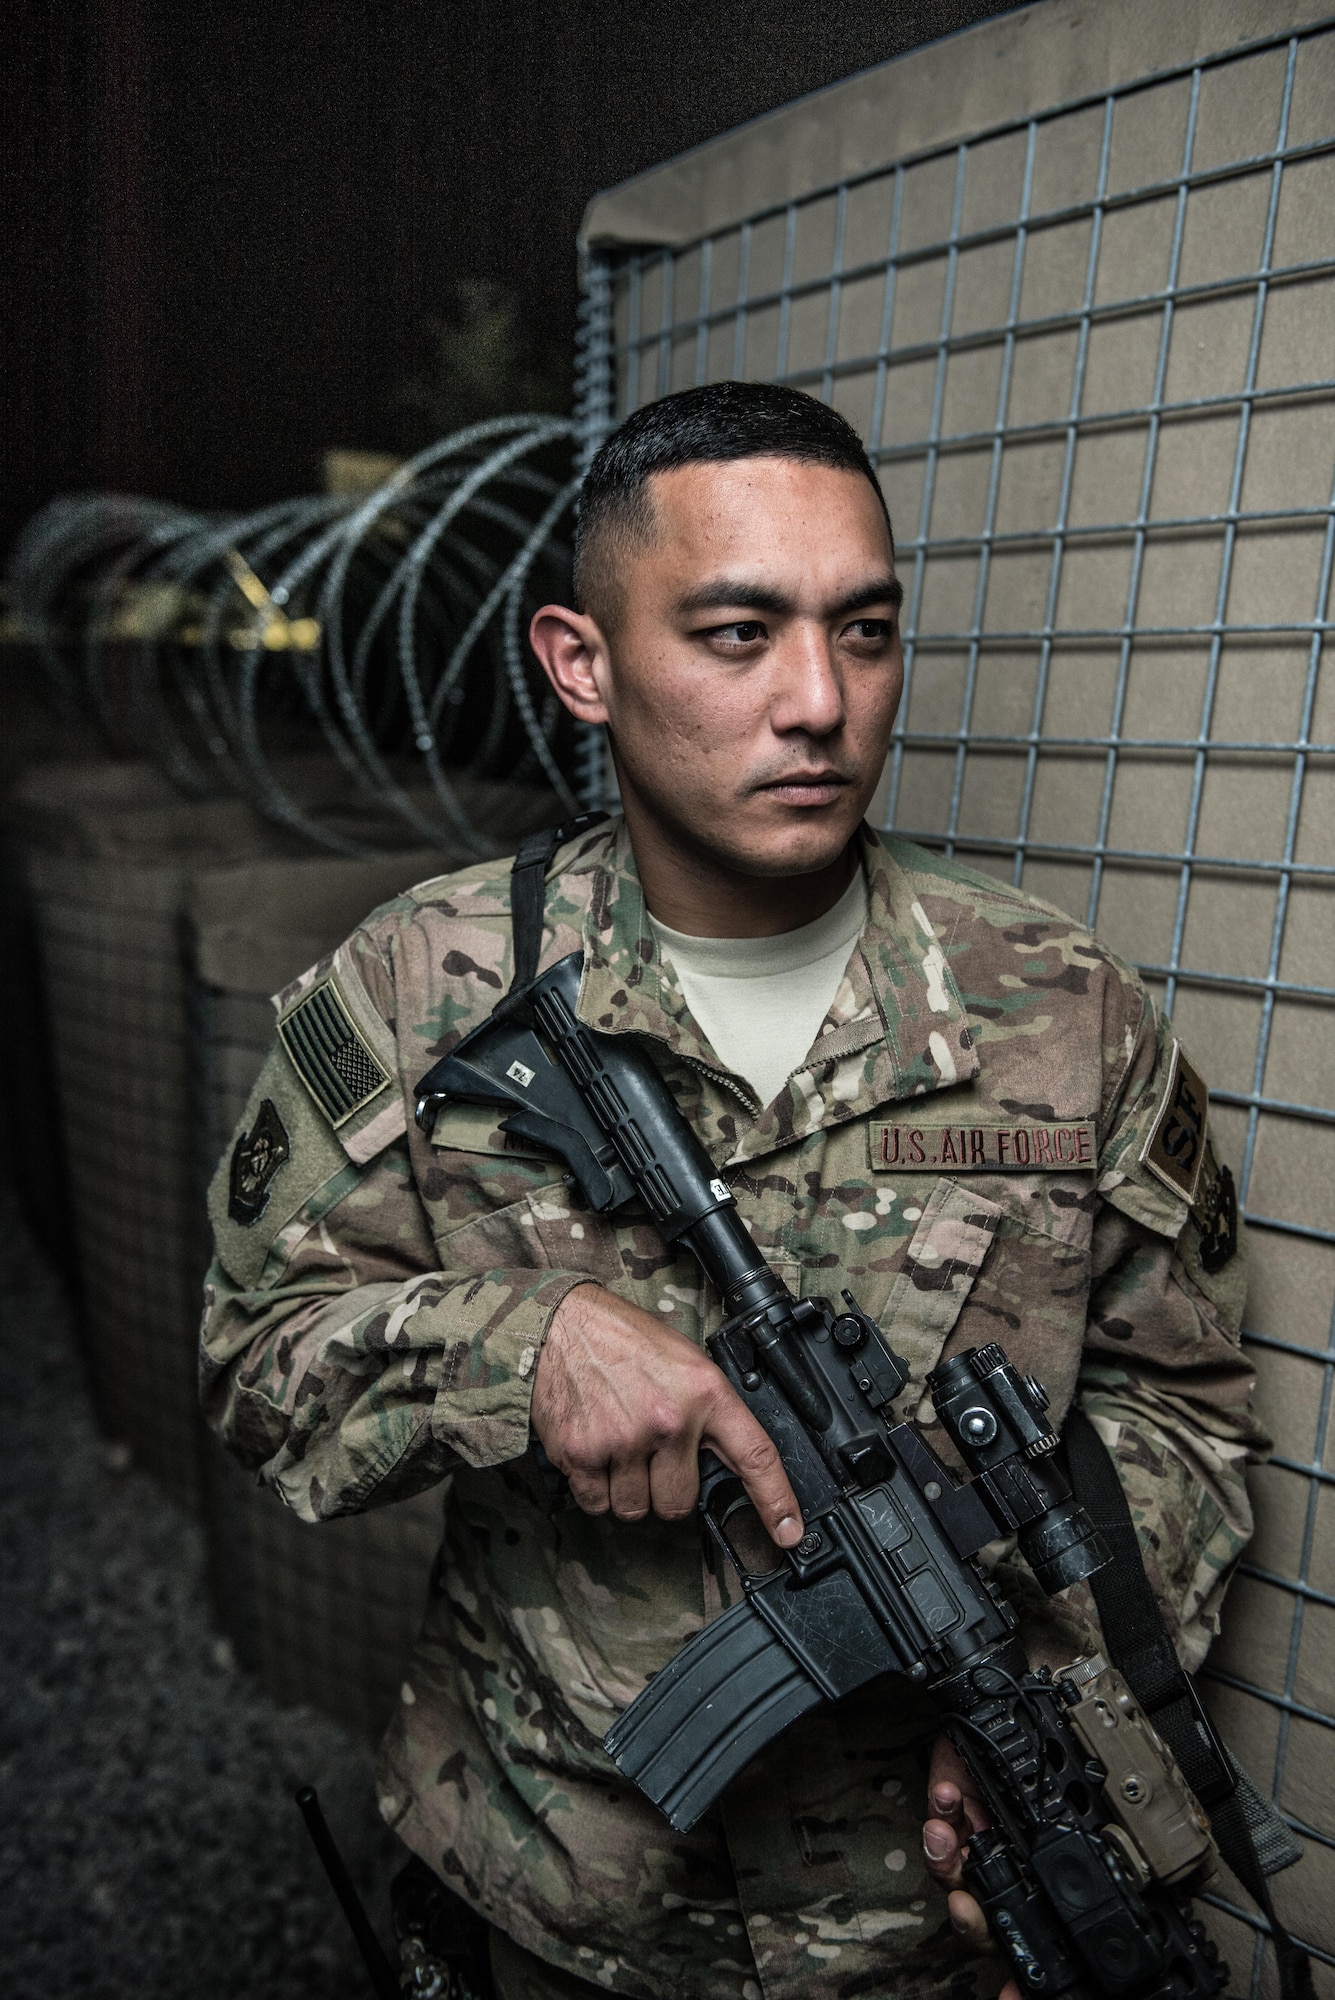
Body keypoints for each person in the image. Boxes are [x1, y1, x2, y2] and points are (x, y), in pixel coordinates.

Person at [200, 381, 1263, 2000]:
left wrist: (1066, 1707)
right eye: (738, 634)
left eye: (868, 629)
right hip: (564, 1907)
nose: (821, 701)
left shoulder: (1064, 1010)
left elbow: (1177, 1404)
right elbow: (255, 1351)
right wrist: (521, 1346)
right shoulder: (423, 988)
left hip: (935, 1925)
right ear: (582, 664)